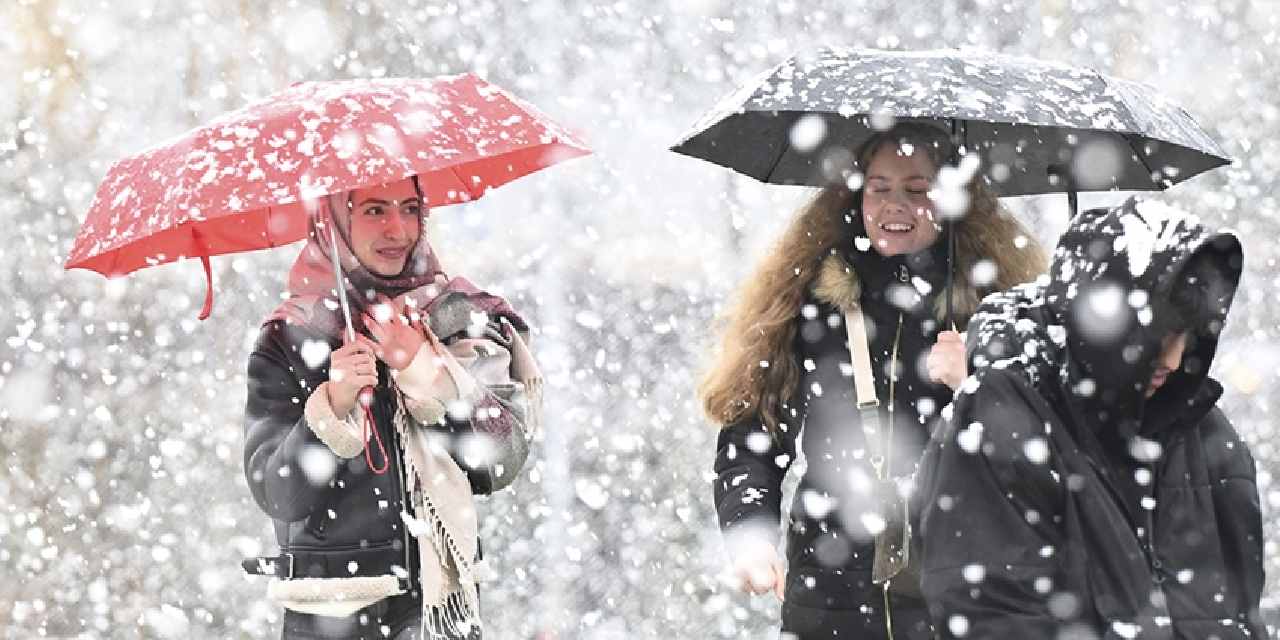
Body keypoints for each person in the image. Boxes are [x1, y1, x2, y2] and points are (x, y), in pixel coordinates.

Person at [702, 122, 1047, 639]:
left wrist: (972, 384)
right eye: (879, 188)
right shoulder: (808, 304)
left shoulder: (1000, 312)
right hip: (829, 592)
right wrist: (750, 535)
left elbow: (1040, 457)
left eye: (917, 190)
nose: (894, 206)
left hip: (961, 588)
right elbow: (756, 432)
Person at [917, 198, 1266, 638]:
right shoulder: (1002, 416)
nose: (1176, 360)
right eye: (1158, 334)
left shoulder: (1208, 431)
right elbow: (994, 613)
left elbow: (1240, 613)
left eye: (1188, 334)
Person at [241, 176, 541, 639]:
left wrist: (426, 371)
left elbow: (500, 462)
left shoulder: (456, 316)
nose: (397, 230)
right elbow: (279, 494)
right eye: (374, 210)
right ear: (333, 219)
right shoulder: (292, 337)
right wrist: (331, 409)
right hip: (333, 620)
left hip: (441, 617)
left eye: (409, 208)